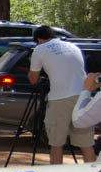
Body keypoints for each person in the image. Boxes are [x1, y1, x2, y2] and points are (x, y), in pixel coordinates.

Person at [28, 25, 95, 164]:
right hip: (83, 96)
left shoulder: (40, 49)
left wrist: (30, 72)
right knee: (86, 144)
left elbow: (33, 79)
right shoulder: (73, 46)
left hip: (60, 98)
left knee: (56, 143)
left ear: (39, 40)